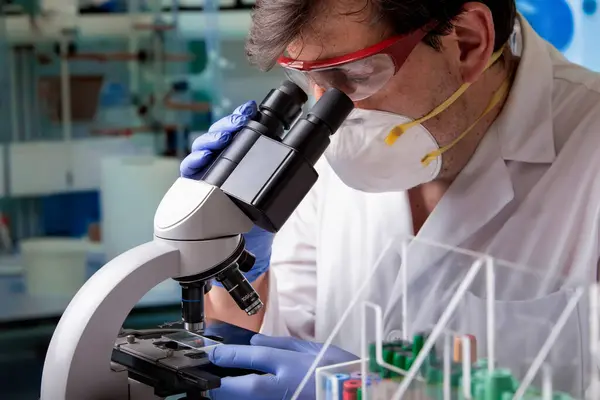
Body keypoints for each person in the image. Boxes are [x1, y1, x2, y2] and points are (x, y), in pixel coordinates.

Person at [181, 0, 600, 398]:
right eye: (309, 78)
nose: (332, 109)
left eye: (357, 74)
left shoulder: (589, 151)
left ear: (468, 41)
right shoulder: (332, 160)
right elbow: (264, 341)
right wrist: (231, 258)